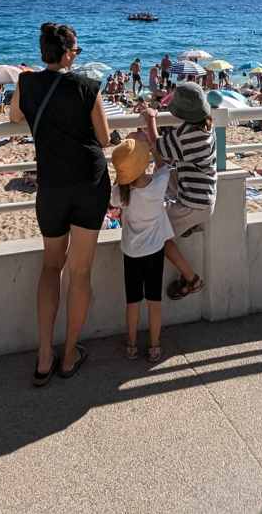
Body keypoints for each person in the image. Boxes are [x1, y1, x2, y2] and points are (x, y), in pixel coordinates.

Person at [10, 22, 111, 385]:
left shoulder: (26, 83)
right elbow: (104, 137)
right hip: (89, 182)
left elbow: (14, 117)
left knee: (51, 267)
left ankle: (43, 356)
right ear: (68, 52)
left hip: (51, 184)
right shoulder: (87, 86)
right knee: (80, 272)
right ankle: (69, 354)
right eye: (77, 51)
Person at [137, 82, 214, 301]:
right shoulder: (204, 128)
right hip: (201, 193)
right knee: (166, 172)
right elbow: (169, 154)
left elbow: (158, 145)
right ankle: (186, 226)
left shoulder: (188, 136)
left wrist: (151, 118)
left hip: (194, 204)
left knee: (156, 236)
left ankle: (192, 279)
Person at [110, 134, 173, 362]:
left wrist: (122, 176)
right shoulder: (157, 185)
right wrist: (151, 145)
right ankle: (155, 346)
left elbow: (115, 195)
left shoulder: (122, 193)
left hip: (131, 253)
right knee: (154, 301)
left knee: (133, 301)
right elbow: (163, 165)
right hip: (155, 251)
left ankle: (131, 345)